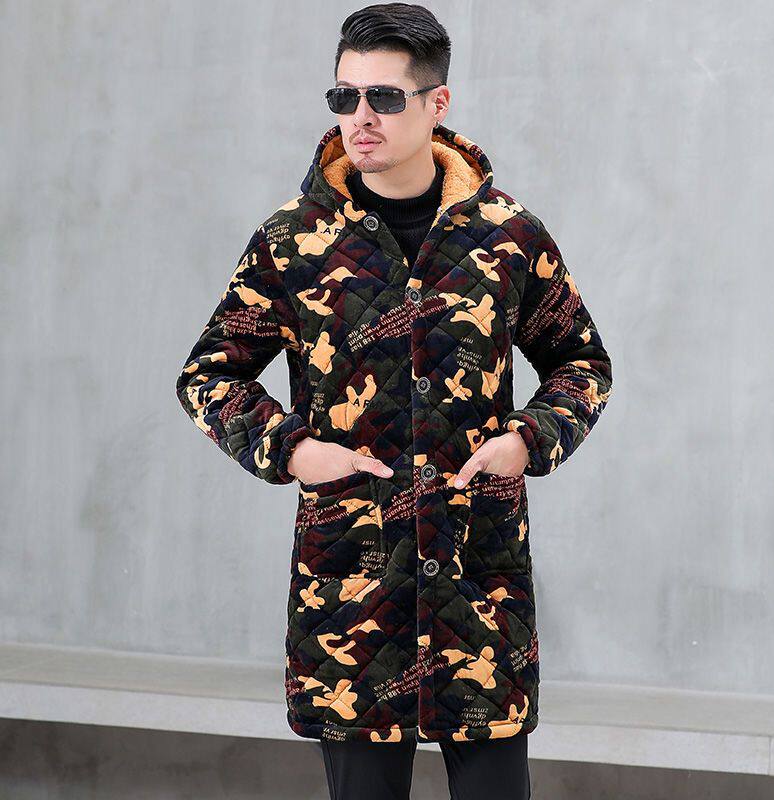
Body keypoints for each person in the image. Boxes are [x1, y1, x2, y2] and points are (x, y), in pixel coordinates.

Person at [176, 3, 613, 798]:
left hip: (479, 589)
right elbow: (209, 376)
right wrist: (294, 451)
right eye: (343, 97)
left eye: (383, 97)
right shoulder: (292, 242)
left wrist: (527, 440)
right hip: (351, 594)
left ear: (437, 103)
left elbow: (581, 363)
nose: (360, 118)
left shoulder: (508, 237)